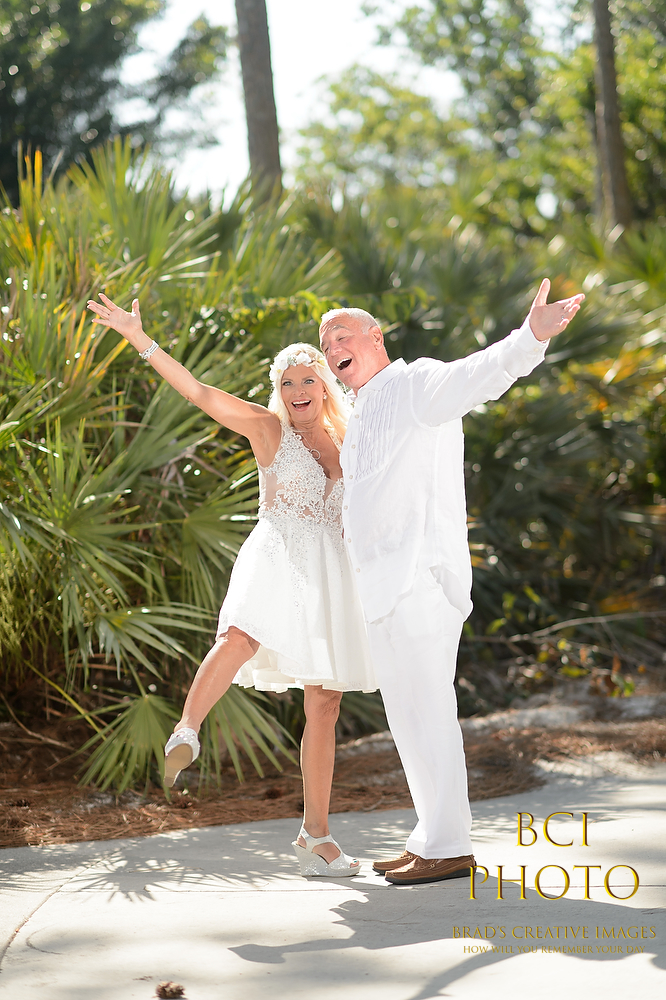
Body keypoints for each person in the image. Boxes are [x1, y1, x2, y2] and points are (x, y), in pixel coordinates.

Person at [86, 292, 378, 877]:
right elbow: (200, 393)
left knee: (326, 703)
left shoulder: (351, 440)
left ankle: (315, 834)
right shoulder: (268, 429)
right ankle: (187, 729)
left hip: (332, 572)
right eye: (287, 381)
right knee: (241, 636)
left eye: (308, 379)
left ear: (325, 385)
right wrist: (140, 339)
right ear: (279, 390)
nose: (298, 389)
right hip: (279, 551)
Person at [319, 278, 585, 886]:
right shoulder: (360, 411)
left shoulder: (414, 383)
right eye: (326, 343)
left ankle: (449, 846)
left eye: (342, 335)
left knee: (429, 710)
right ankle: (432, 838)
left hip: (418, 580)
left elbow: (476, 375)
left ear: (375, 338)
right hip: (380, 590)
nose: (332, 348)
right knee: (408, 718)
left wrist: (529, 338)